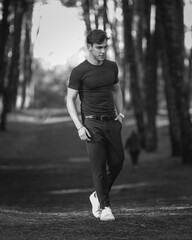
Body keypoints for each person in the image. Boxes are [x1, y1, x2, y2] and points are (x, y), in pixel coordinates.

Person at [66, 29, 125, 221]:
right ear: (89, 47)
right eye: (99, 47)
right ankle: (105, 207)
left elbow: (117, 90)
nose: (103, 51)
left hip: (112, 122)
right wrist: (79, 127)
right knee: (99, 167)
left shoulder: (112, 67)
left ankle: (96, 196)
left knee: (117, 162)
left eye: (105, 47)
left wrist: (121, 114)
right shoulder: (79, 71)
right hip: (91, 124)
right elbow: (70, 99)